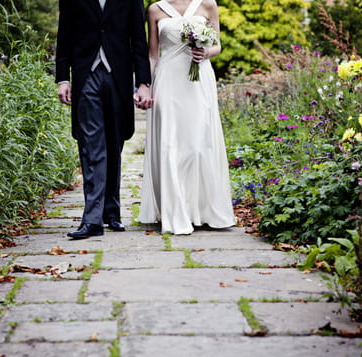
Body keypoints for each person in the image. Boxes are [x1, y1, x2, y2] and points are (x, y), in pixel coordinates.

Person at [56, 0, 153, 239]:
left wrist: (143, 83)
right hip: (85, 74)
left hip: (118, 76)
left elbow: (139, 40)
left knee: (114, 143)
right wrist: (62, 79)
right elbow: (64, 34)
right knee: (91, 146)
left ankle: (112, 212)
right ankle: (92, 219)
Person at [139, 0, 236, 235]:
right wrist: (145, 86)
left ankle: (201, 210)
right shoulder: (155, 9)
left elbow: (218, 46)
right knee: (170, 144)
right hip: (168, 80)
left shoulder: (208, 4)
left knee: (199, 146)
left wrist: (205, 52)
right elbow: (153, 55)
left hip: (199, 80)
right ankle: (175, 212)